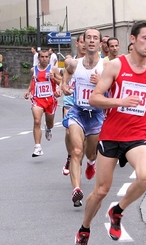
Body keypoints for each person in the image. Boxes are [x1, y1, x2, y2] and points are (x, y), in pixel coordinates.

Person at [72, 20, 146, 245]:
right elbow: (95, 98)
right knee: (101, 191)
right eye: (145, 38)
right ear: (132, 40)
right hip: (111, 135)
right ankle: (84, 229)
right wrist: (119, 101)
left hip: (136, 136)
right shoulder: (114, 66)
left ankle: (118, 211)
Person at [60, 28, 108, 208]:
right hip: (78, 112)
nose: (91, 41)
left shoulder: (106, 66)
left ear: (99, 43)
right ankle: (76, 190)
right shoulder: (74, 63)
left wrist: (100, 83)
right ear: (84, 42)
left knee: (90, 153)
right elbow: (67, 74)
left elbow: (113, 87)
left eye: (95, 38)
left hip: (96, 115)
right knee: (76, 151)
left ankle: (91, 162)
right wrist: (64, 86)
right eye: (88, 38)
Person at [23, 50, 62, 157]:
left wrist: (54, 80)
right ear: (38, 58)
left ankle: (48, 129)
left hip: (50, 100)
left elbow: (62, 81)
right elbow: (33, 80)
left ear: (49, 58)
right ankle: (38, 147)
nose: (44, 59)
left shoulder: (53, 69)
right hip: (37, 99)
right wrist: (28, 91)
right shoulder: (34, 70)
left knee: (50, 123)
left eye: (46, 57)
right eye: (42, 57)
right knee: (36, 121)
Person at [62, 34, 87, 176]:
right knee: (68, 131)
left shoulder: (94, 61)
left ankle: (79, 157)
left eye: (86, 42)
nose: (84, 45)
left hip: (86, 100)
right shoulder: (70, 61)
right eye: (81, 42)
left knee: (84, 136)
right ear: (77, 44)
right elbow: (66, 73)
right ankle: (70, 156)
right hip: (71, 99)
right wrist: (63, 85)